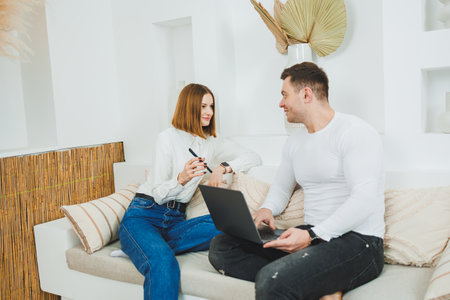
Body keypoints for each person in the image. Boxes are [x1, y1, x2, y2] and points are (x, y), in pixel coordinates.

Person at [208, 62, 385, 300]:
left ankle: (311, 278)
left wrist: (313, 235)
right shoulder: (295, 142)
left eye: (284, 95)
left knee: (272, 281)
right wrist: (267, 209)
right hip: (313, 237)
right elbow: (281, 187)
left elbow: (365, 199)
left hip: (359, 242)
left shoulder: (354, 132)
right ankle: (319, 281)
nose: (280, 103)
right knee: (222, 247)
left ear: (306, 94)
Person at [119, 83, 261, 300]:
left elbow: (253, 157)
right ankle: (146, 246)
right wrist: (180, 179)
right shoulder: (166, 138)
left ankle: (142, 247)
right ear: (189, 106)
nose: (209, 112)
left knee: (234, 225)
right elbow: (157, 193)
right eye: (203, 106)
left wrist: (223, 167)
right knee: (163, 261)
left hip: (176, 221)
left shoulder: (210, 142)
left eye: (211, 106)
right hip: (145, 215)